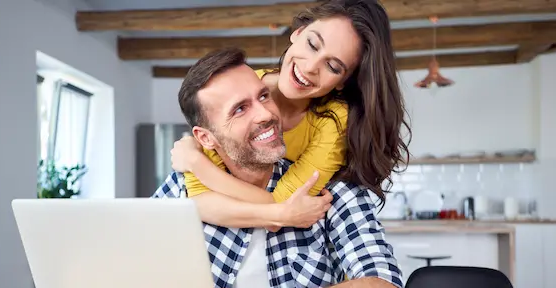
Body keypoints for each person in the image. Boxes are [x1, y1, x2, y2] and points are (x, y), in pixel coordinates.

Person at [153, 48, 403, 288]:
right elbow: (132, 273)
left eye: (263, 96)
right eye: (240, 109)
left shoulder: (332, 191)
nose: (266, 114)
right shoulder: (179, 189)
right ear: (206, 138)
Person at [170, 0, 411, 230]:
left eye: (333, 66)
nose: (309, 67)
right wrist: (280, 215)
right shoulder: (241, 84)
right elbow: (199, 201)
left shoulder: (333, 121)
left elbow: (285, 200)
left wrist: (197, 164)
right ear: (298, 33)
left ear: (342, 82)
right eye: (313, 44)